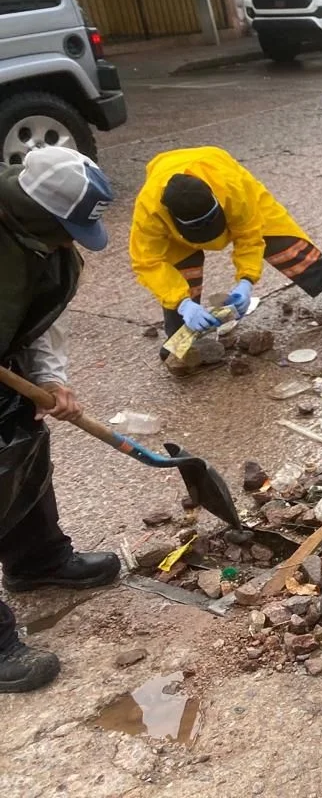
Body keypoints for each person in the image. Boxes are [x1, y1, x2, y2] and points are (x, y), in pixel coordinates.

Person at [0, 146, 123, 693]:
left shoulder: (41, 240)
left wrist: (49, 380)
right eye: (65, 229)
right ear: (35, 211)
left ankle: (36, 560)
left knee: (20, 452)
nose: (69, 241)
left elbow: (39, 314)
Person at [129, 146, 322, 346]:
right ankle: (179, 335)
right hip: (171, 213)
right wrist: (182, 304)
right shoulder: (149, 211)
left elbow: (249, 234)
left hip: (226, 178)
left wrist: (246, 280)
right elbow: (147, 261)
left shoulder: (232, 187)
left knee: (283, 241)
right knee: (179, 266)